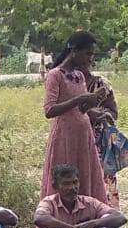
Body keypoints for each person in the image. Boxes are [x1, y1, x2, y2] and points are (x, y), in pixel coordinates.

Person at [40, 30, 109, 203]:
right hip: (65, 139)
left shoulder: (79, 76)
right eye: (87, 54)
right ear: (74, 51)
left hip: (83, 138)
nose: (90, 59)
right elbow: (50, 110)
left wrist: (95, 109)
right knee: (66, 181)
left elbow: (80, 109)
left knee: (84, 180)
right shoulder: (55, 75)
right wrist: (80, 99)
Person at [84, 65, 128, 207]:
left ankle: (108, 222)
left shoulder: (100, 84)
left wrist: (101, 115)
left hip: (99, 143)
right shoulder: (66, 83)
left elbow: (113, 112)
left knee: (103, 181)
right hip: (74, 140)